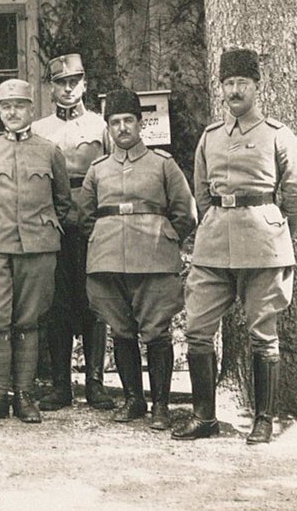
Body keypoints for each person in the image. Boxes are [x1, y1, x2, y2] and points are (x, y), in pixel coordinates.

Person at [172, 48, 297, 444]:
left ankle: (263, 419)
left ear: (256, 87)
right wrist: (215, 221)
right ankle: (204, 417)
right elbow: (201, 191)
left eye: (242, 84)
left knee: (262, 333)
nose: (235, 91)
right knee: (198, 329)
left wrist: (279, 228)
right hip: (214, 245)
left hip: (263, 243)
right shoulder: (210, 137)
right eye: (229, 84)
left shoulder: (277, 135)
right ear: (221, 88)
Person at [78, 88, 195, 430]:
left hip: (154, 259)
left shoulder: (163, 164)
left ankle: (160, 405)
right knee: (121, 330)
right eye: (115, 122)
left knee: (157, 332)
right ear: (108, 128)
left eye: (129, 120)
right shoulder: (97, 169)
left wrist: (166, 239)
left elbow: (186, 213)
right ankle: (133, 400)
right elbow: (86, 217)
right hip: (108, 260)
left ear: (141, 123)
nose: (123, 128)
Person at [0, 79, 72, 424]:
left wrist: (44, 228)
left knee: (28, 321)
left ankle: (24, 396)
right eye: (6, 107)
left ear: (30, 109)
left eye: (19, 106)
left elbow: (64, 202)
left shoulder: (50, 151)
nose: (12, 112)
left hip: (37, 249)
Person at [31, 53, 115, 411]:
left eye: (74, 81)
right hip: (54, 224)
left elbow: (113, 171)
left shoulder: (100, 127)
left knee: (95, 300)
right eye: (60, 82)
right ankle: (61, 385)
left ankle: (95, 383)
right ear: (50, 88)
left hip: (92, 221)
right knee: (57, 302)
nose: (68, 89)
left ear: (84, 84)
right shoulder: (39, 130)